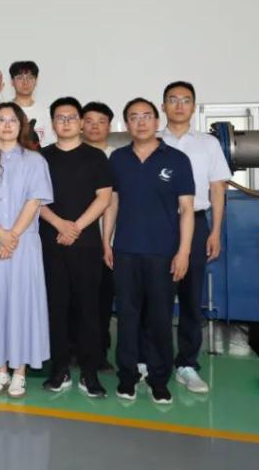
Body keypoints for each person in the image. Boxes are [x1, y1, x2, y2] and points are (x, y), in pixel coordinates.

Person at [103, 98, 194, 404]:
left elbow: (187, 209)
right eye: (133, 117)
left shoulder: (177, 160)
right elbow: (112, 203)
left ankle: (159, 380)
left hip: (163, 253)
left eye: (146, 116)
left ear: (157, 121)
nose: (140, 122)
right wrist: (106, 241)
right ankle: (127, 377)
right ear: (127, 124)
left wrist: (183, 252)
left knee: (159, 318)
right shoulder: (118, 158)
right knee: (127, 318)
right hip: (125, 251)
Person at [0, 103, 53, 399]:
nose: (6, 125)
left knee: (22, 304)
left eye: (12, 121)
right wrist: (1, 234)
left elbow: (35, 201)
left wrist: (12, 236)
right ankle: (0, 369)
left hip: (24, 243)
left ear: (21, 126)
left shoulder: (35, 160)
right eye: (1, 120)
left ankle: (19, 371)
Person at [37, 98, 113, 398]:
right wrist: (60, 224)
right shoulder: (41, 158)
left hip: (86, 245)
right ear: (52, 123)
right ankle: (59, 370)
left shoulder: (96, 157)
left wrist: (76, 227)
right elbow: (34, 200)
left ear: (81, 122)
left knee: (88, 310)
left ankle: (90, 373)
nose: (66, 122)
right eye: (60, 117)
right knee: (56, 309)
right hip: (51, 243)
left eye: (71, 117)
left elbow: (103, 198)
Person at [160, 81, 231, 395]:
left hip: (198, 222)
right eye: (173, 100)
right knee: (156, 296)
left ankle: (187, 364)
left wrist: (215, 231)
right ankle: (153, 361)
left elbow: (217, 189)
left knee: (191, 297)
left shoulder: (208, 144)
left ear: (193, 106)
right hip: (159, 224)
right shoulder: (152, 141)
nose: (179, 105)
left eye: (185, 100)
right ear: (163, 106)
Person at [82, 100, 117, 370]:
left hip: (110, 242)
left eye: (101, 122)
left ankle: (100, 352)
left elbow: (113, 201)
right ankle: (73, 349)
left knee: (102, 300)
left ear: (110, 126)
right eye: (89, 121)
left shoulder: (117, 157)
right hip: (76, 240)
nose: (95, 127)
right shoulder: (71, 154)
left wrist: (108, 241)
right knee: (75, 299)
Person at [8, 61, 53, 146]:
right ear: (12, 82)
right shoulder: (3, 111)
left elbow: (50, 145)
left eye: (30, 77)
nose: (25, 82)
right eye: (20, 78)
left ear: (36, 81)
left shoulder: (46, 113)